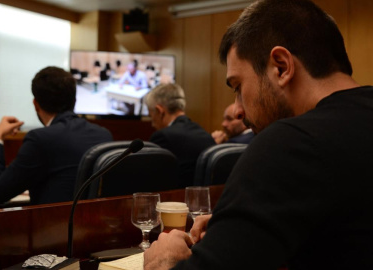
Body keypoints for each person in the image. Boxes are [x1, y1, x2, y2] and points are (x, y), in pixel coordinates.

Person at [144, 0, 373, 269]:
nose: (239, 110)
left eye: (238, 86)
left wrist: (165, 260)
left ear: (281, 66)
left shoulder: (288, 143)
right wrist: (236, 229)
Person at [0, 66, 113, 206]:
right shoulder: (103, 135)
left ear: (35, 104)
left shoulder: (40, 139)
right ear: (74, 100)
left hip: (51, 225)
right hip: (95, 225)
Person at [145, 83, 216, 188]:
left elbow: (150, 181)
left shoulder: (162, 137)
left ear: (160, 111)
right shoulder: (205, 135)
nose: (152, 124)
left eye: (151, 116)